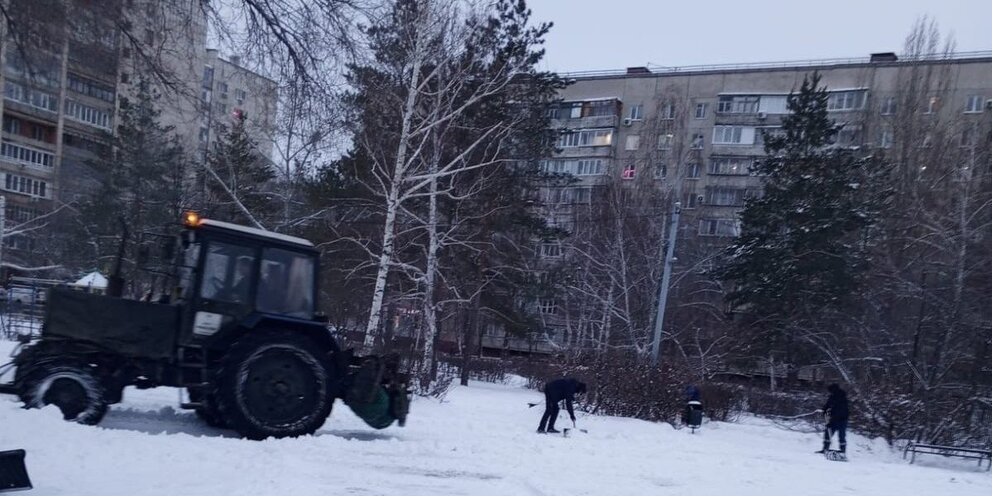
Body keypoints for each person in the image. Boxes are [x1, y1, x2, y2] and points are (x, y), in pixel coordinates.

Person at [817, 383, 849, 454]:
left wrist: (832, 418)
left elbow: (842, 410)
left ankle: (842, 451)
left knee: (841, 435)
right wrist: (824, 412)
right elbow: (827, 406)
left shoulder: (842, 397)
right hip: (833, 420)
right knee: (827, 434)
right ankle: (825, 448)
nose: (829, 392)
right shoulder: (832, 397)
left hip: (842, 420)